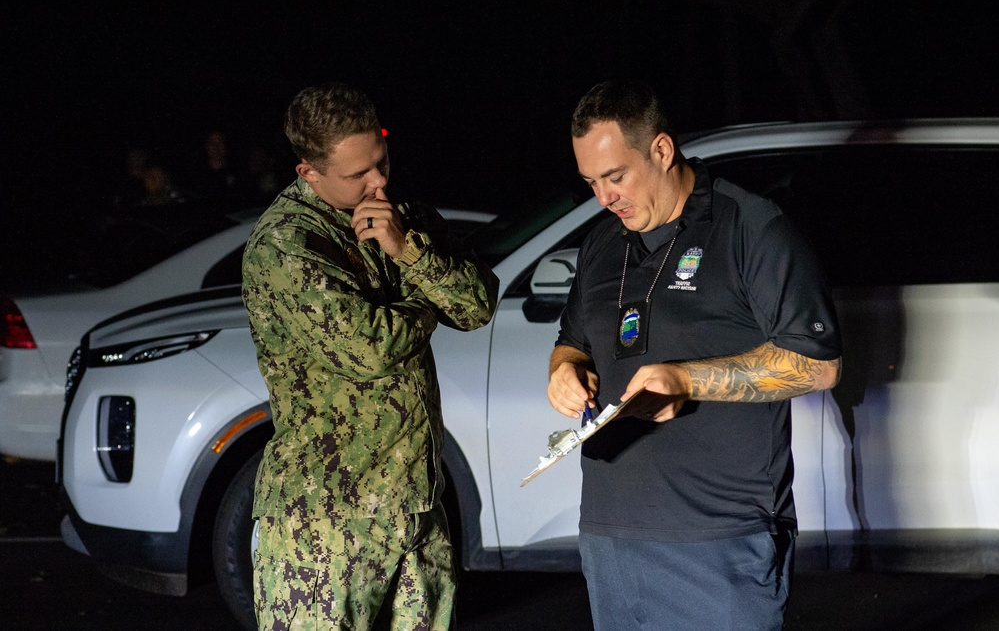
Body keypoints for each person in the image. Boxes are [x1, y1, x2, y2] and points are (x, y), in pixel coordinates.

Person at [546, 81, 842, 630]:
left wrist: (685, 379)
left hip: (722, 536)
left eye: (615, 177)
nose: (604, 198)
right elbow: (573, 342)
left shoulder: (750, 227)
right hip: (612, 534)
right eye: (591, 182)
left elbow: (818, 363)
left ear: (661, 150)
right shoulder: (601, 245)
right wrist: (564, 371)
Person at [242, 83, 499, 630]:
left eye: (381, 161)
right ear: (307, 172)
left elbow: (477, 305)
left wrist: (407, 250)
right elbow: (371, 350)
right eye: (358, 174)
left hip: (415, 501)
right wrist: (424, 294)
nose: (378, 181)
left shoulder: (399, 215)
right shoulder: (287, 245)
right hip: (327, 520)